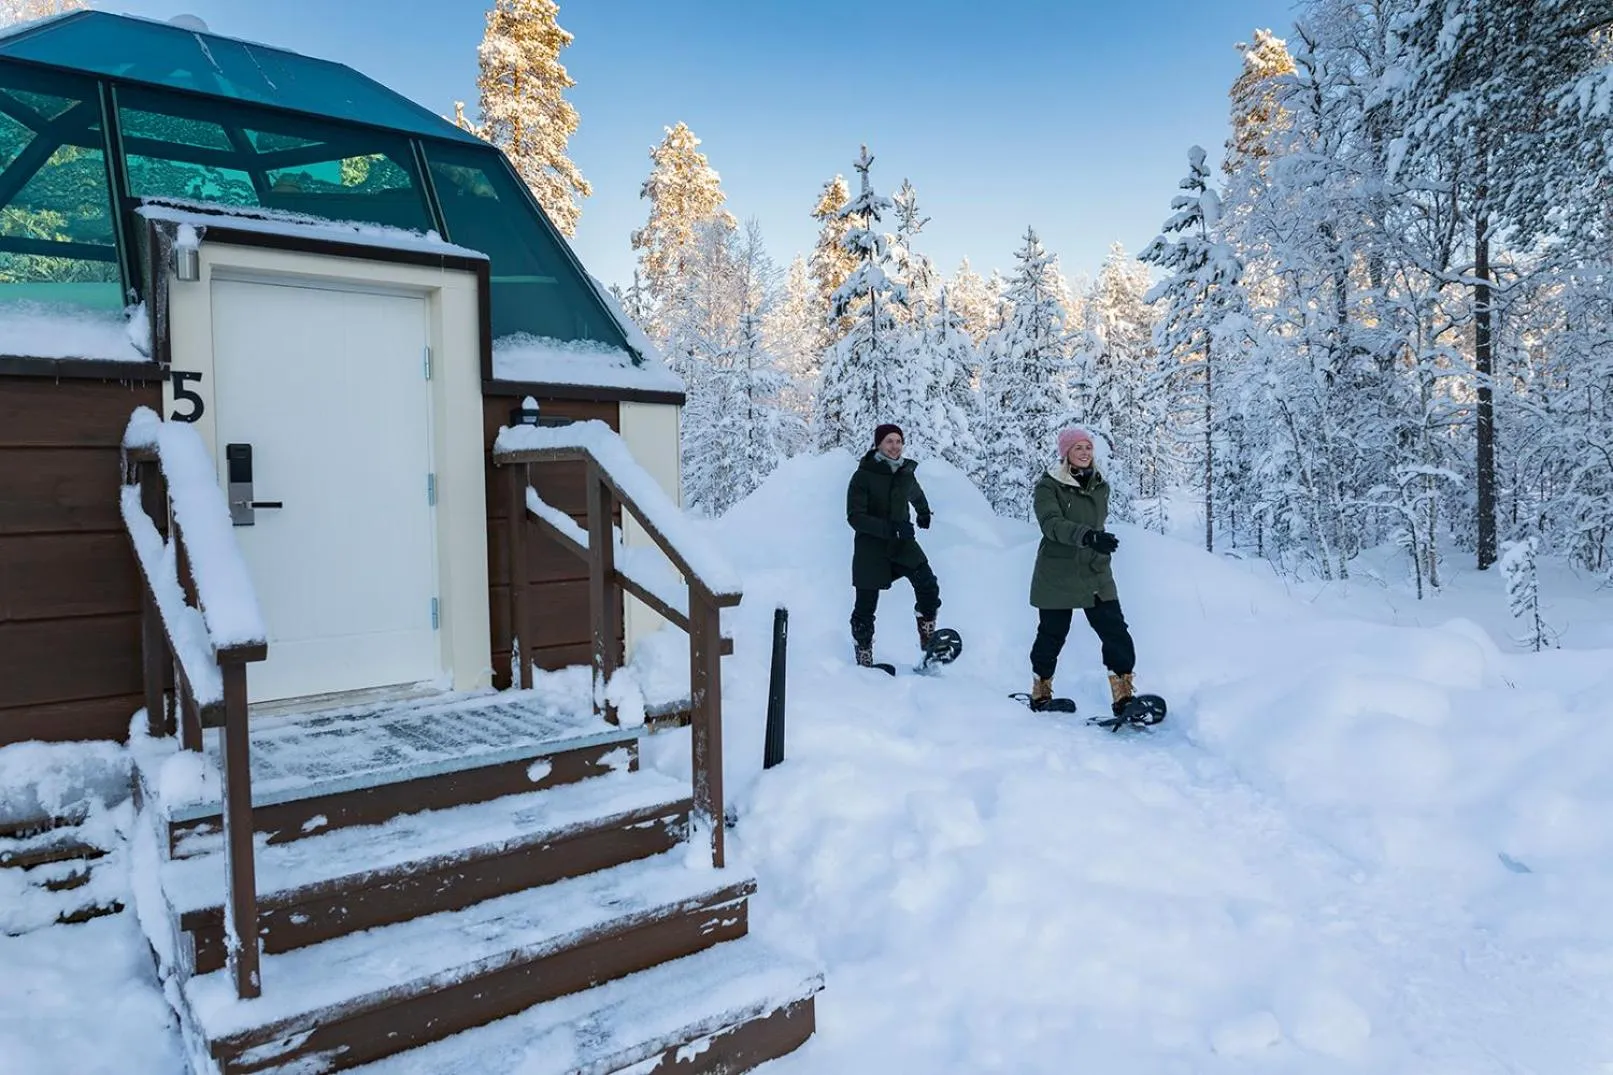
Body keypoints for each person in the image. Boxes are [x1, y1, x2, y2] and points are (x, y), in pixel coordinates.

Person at [1027, 426, 1140, 714]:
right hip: (1058, 571)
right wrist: (1088, 536)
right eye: (1078, 447)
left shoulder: (1100, 485)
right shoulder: (1048, 486)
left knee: (1115, 631)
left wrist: (1098, 541)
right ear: (1066, 453)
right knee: (1052, 634)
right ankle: (1041, 692)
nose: (1085, 452)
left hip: (1094, 570)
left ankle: (1124, 697)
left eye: (1088, 447)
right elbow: (1051, 524)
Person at [846, 423, 940, 668]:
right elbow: (855, 517)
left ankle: (927, 635)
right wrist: (891, 528)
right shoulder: (863, 476)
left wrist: (923, 512)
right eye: (889, 441)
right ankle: (864, 652)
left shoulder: (905, 471)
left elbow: (915, 492)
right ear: (878, 444)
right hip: (871, 549)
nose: (895, 446)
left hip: (902, 545)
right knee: (865, 607)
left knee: (928, 584)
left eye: (898, 441)